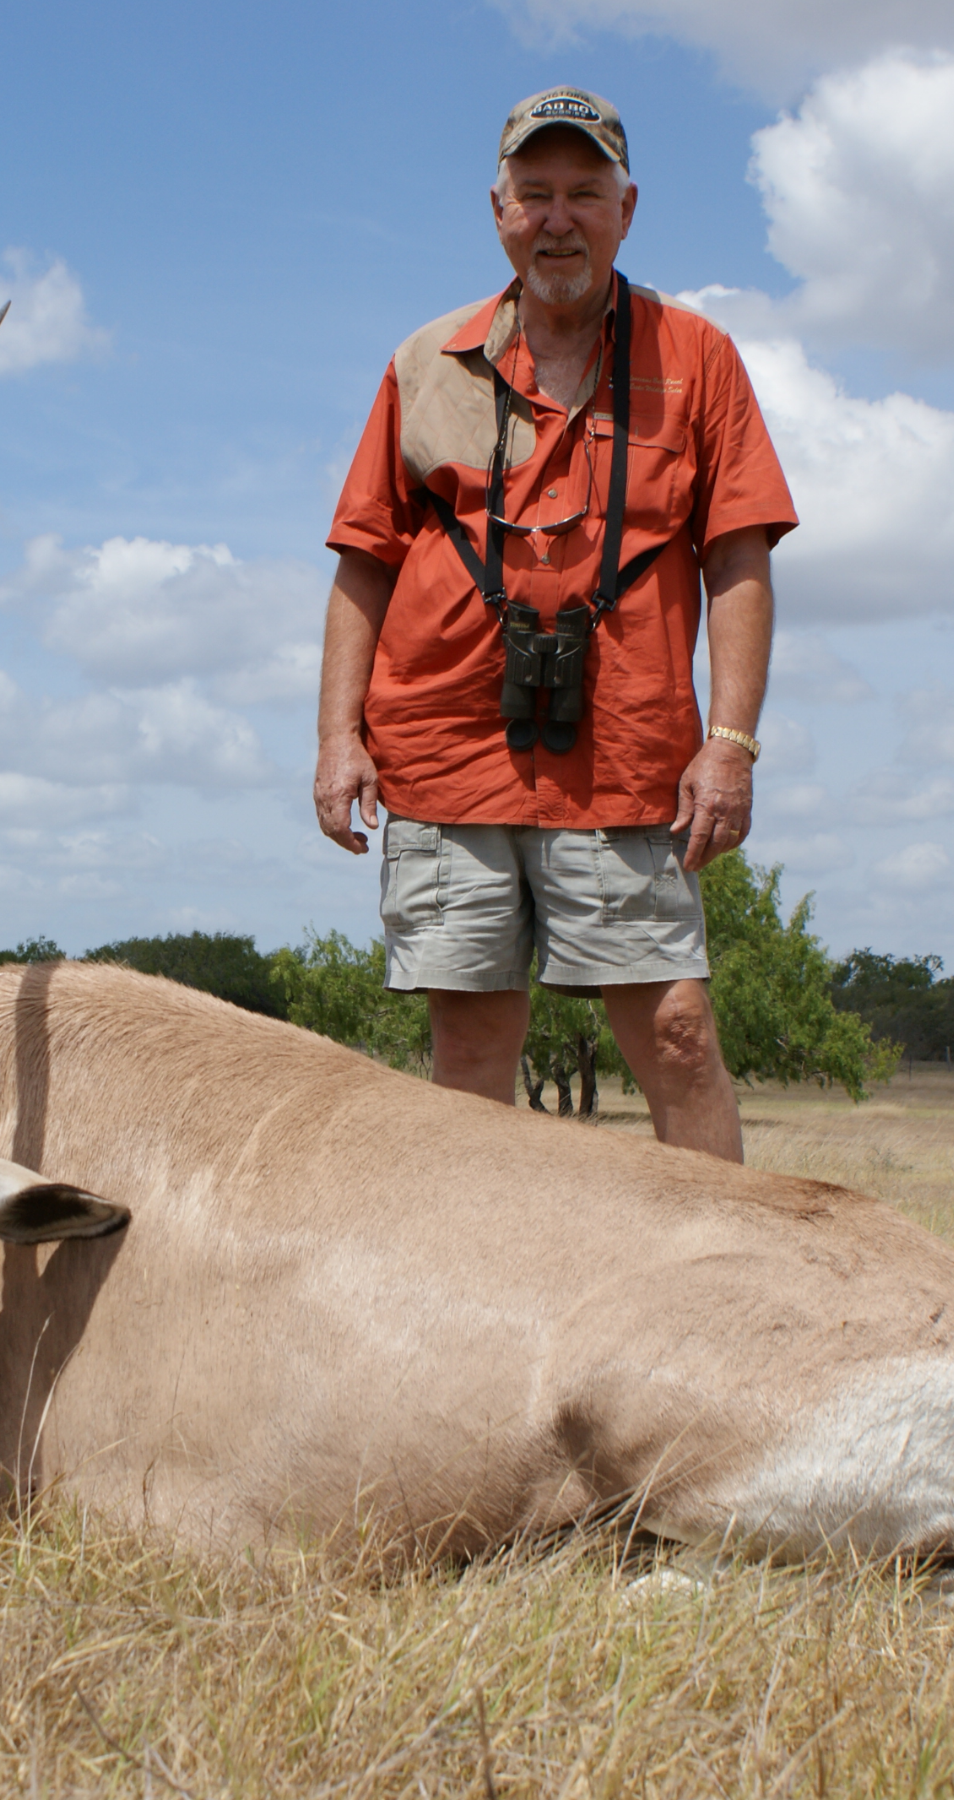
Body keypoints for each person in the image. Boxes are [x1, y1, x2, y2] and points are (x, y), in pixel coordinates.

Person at [314, 86, 797, 1162]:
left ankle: (717, 1297)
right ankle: (480, 1309)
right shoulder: (424, 361)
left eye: (584, 192)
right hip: (444, 754)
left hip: (626, 760)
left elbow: (740, 559)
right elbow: (363, 561)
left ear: (630, 207)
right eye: (534, 194)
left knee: (674, 1034)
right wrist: (337, 738)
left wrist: (731, 745)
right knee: (471, 1047)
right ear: (496, 209)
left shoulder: (697, 356)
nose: (558, 217)